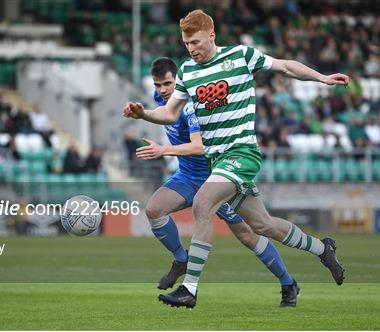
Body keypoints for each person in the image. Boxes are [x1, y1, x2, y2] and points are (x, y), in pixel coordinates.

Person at [123, 9, 347, 308]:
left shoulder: (240, 56)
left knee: (203, 203)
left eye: (196, 42)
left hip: (241, 153)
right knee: (263, 225)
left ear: (211, 35)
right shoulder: (188, 72)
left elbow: (284, 66)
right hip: (219, 162)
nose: (191, 49)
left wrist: (321, 78)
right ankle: (322, 249)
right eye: (187, 44)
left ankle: (190, 288)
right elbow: (169, 113)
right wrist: (145, 114)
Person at [137, 57, 298, 307]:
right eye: (158, 85)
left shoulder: (190, 105)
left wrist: (163, 150)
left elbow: (201, 146)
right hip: (187, 177)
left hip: (216, 177)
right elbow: (161, 115)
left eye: (167, 83)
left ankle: (288, 283)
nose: (162, 90)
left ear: (178, 79)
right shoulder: (163, 101)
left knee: (248, 234)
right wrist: (141, 114)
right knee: (154, 210)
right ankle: (181, 259)